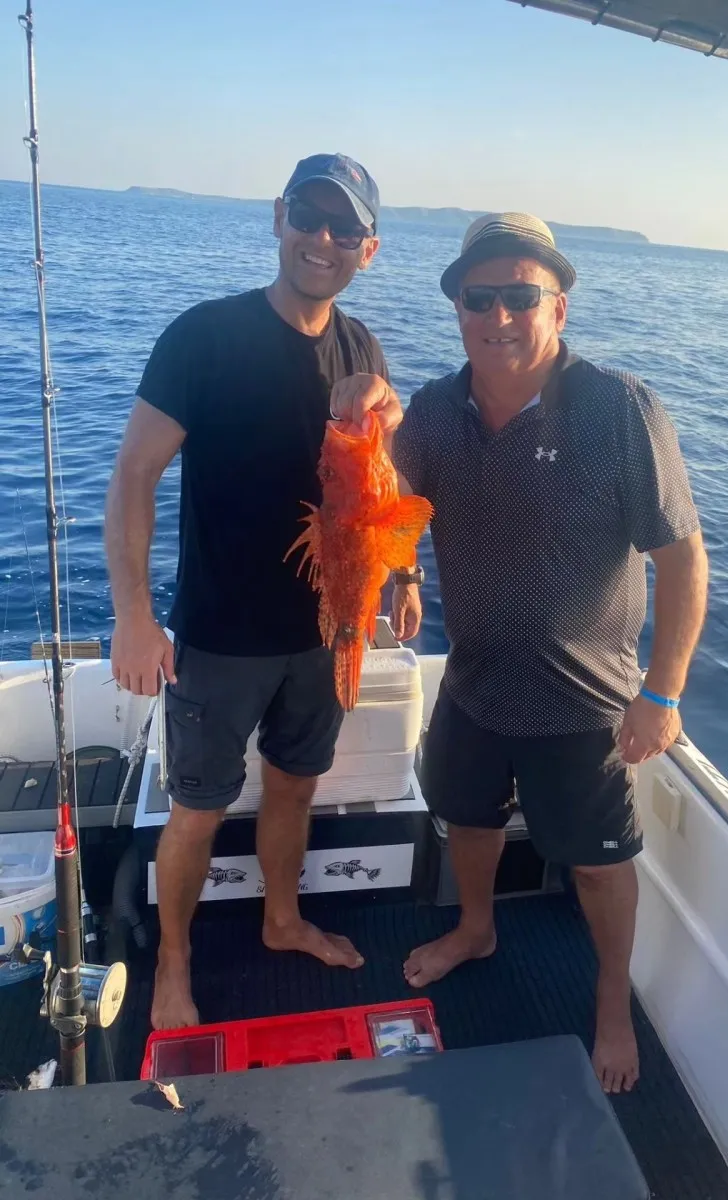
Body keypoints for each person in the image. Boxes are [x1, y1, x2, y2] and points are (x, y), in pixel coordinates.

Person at [330, 212, 709, 1093]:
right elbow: (384, 502)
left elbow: (685, 559)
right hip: (474, 680)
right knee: (467, 820)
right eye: (478, 297)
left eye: (520, 296)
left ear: (558, 308)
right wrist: (361, 411)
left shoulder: (619, 409)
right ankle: (476, 928)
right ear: (458, 309)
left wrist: (662, 693)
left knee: (599, 863)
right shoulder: (434, 410)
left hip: (585, 699)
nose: (498, 315)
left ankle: (611, 1003)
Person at [104, 152, 418, 1031]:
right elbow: (133, 475)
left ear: (368, 249)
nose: (323, 238)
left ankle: (282, 920)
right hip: (219, 636)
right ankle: (174, 962)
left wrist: (405, 573)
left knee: (293, 788)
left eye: (344, 228)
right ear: (278, 216)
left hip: (325, 634)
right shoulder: (203, 336)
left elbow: (382, 487)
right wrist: (133, 617)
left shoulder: (362, 348)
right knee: (197, 810)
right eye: (309, 217)